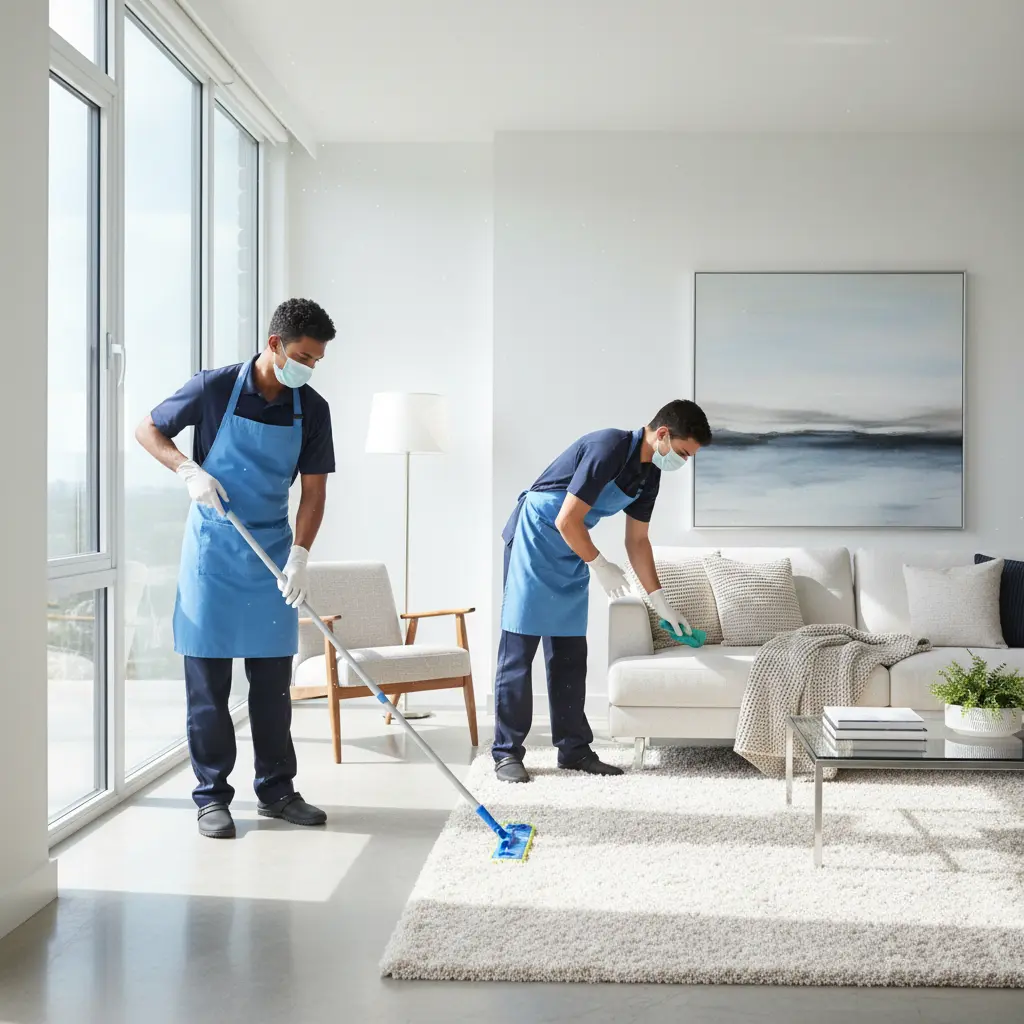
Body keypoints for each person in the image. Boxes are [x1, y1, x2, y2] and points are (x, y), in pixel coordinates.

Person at [136, 298, 337, 838]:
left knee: (271, 689)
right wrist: (187, 471)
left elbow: (314, 493)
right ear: (274, 344)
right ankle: (211, 798)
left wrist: (300, 555)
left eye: (316, 360)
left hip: (271, 553)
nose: (309, 367)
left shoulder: (311, 409)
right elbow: (148, 429)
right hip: (212, 553)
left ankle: (277, 791)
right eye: (303, 356)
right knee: (209, 689)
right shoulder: (214, 388)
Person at [493, 400, 712, 783]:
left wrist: (660, 602)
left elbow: (638, 541)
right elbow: (566, 518)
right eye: (682, 453)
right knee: (518, 653)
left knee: (570, 654)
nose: (682, 462)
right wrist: (598, 564)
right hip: (538, 536)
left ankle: (574, 749)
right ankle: (506, 753)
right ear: (662, 434)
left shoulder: (650, 476)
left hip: (574, 542)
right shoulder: (607, 447)